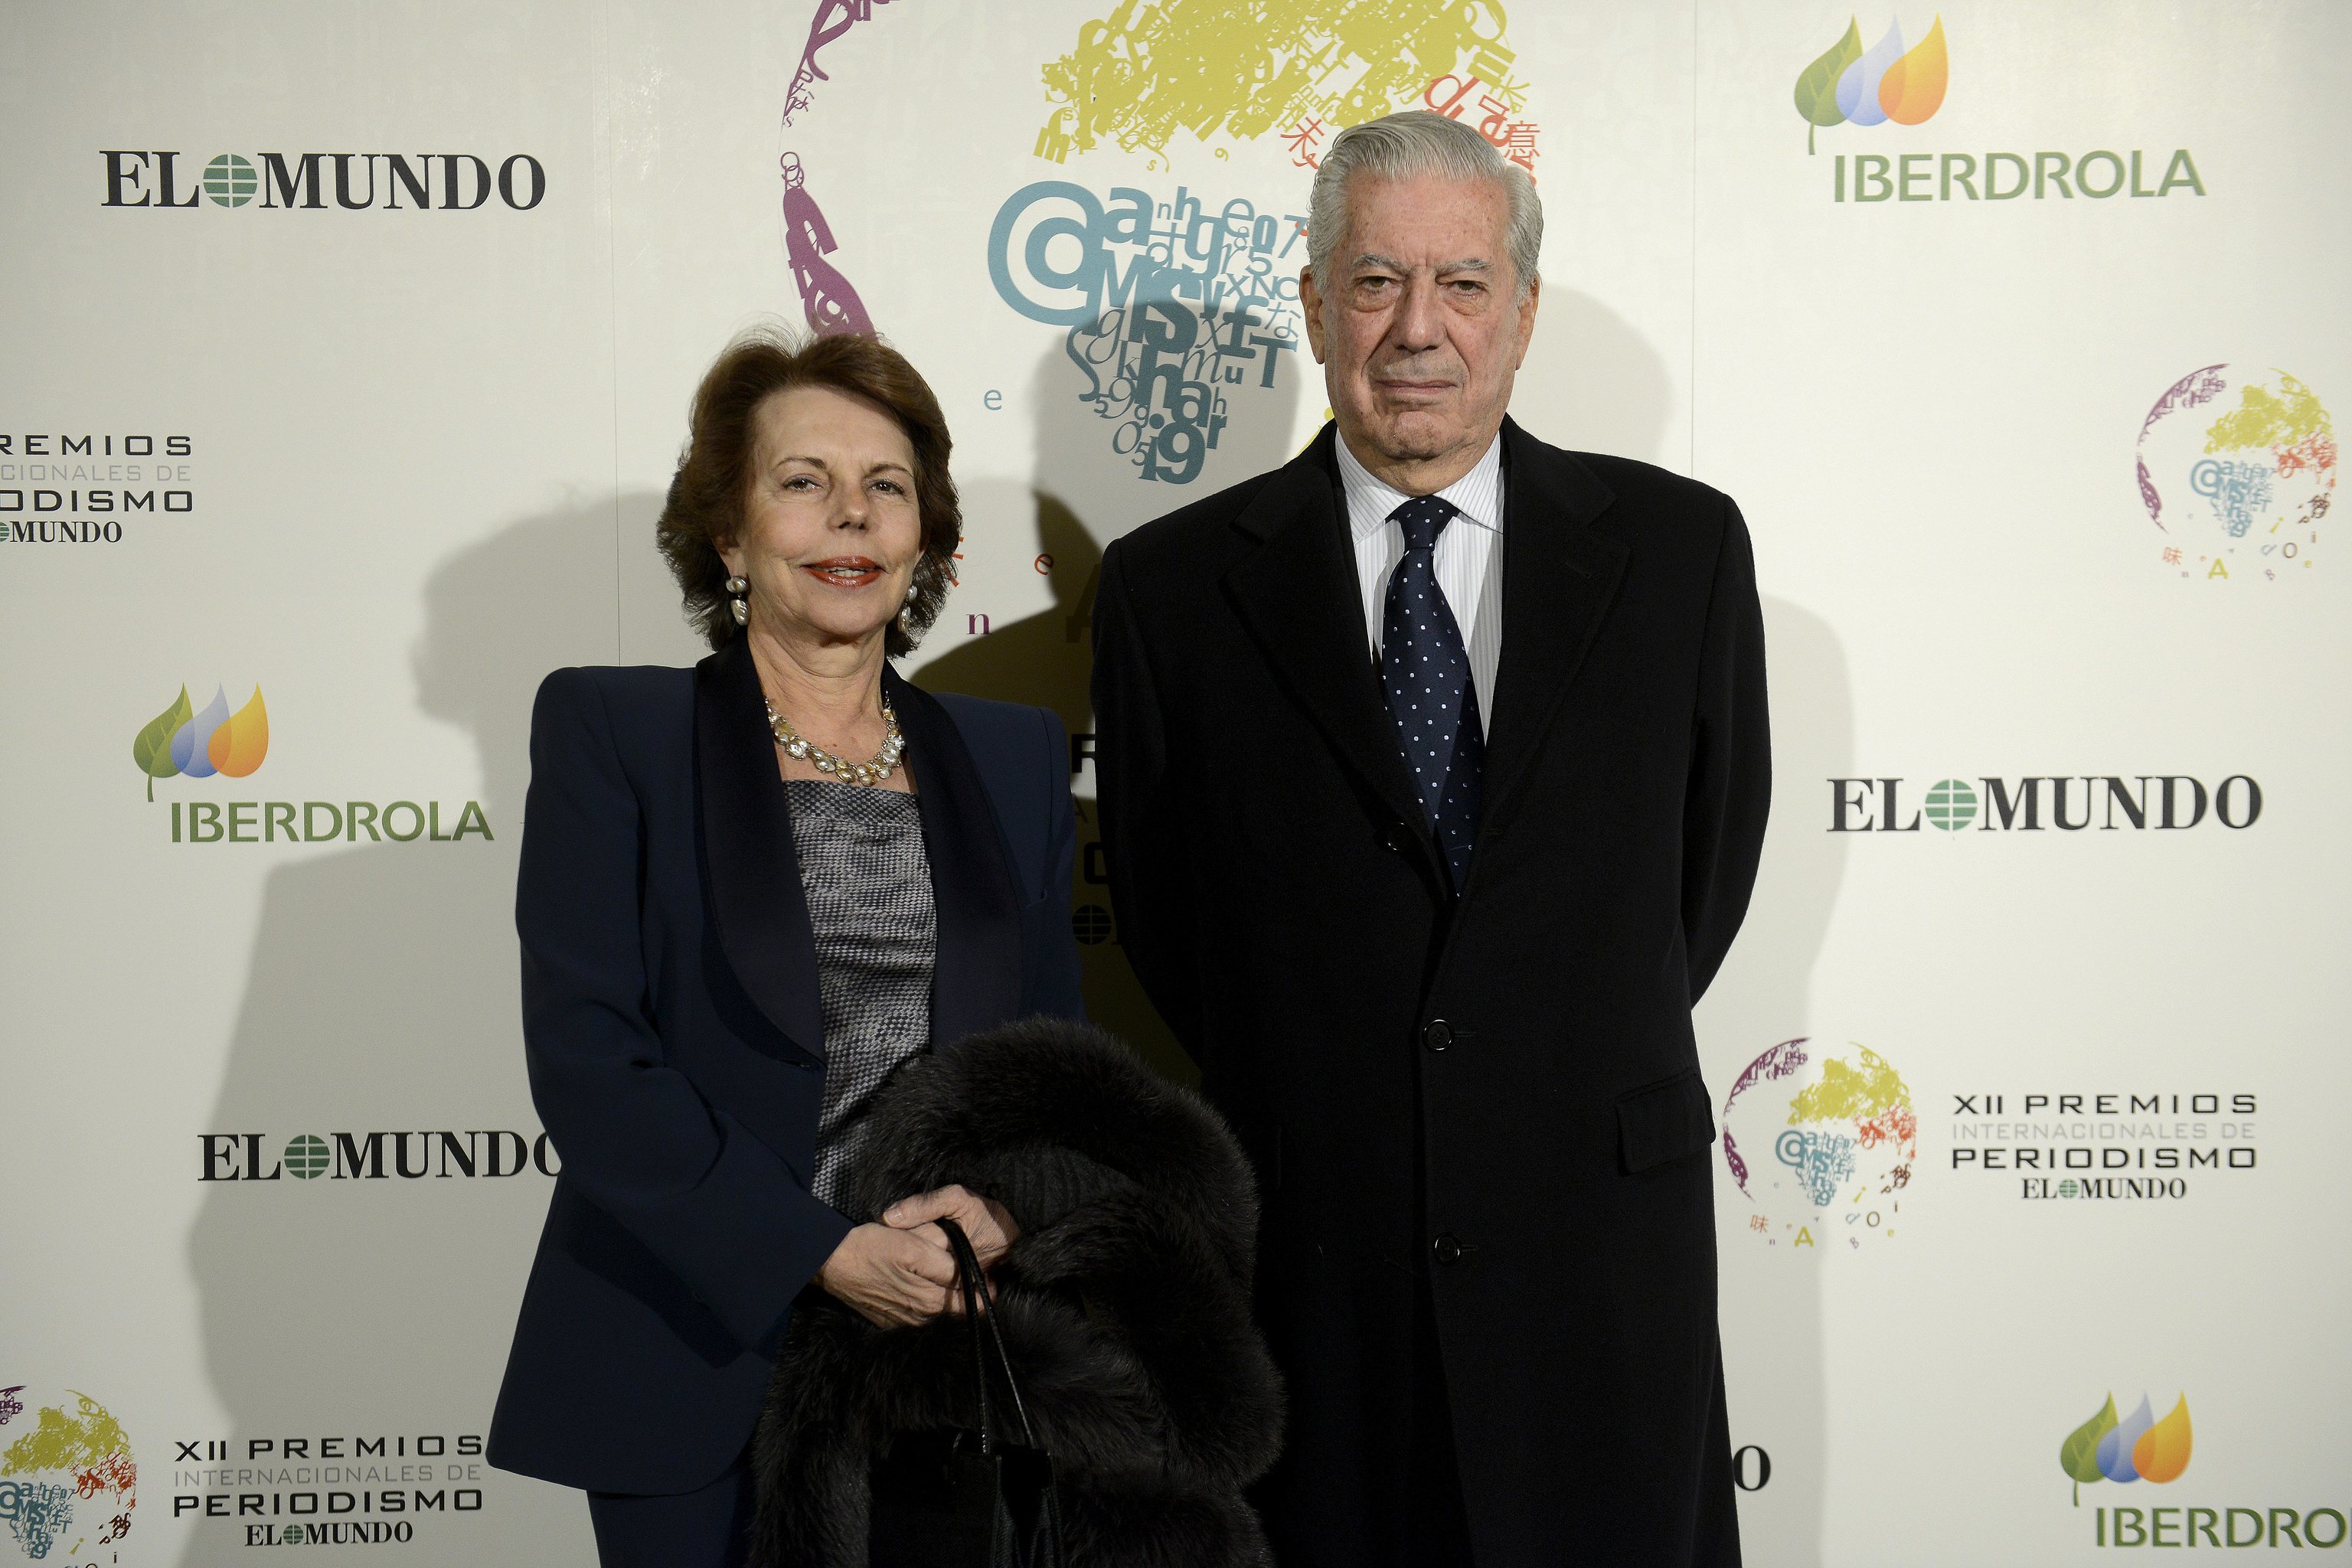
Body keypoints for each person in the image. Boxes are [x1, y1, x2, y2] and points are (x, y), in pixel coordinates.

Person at [1090, 110, 1769, 1566]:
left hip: (1599, 1267)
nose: (1418, 329)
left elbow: (1699, 885)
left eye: (1463, 283)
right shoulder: (1169, 592)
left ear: (1522, 312)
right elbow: (1167, 920)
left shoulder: (1682, 554)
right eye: (1375, 281)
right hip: (1310, 1286)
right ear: (1315, 304)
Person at [486, 328, 1085, 1567]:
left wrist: (999, 1212)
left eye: (886, 486)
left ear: (924, 535)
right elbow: (592, 1061)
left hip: (936, 1361)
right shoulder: (617, 730)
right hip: (691, 1353)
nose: (849, 516)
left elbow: (1053, 1064)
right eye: (803, 481)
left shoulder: (1012, 755)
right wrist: (819, 1252)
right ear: (728, 531)